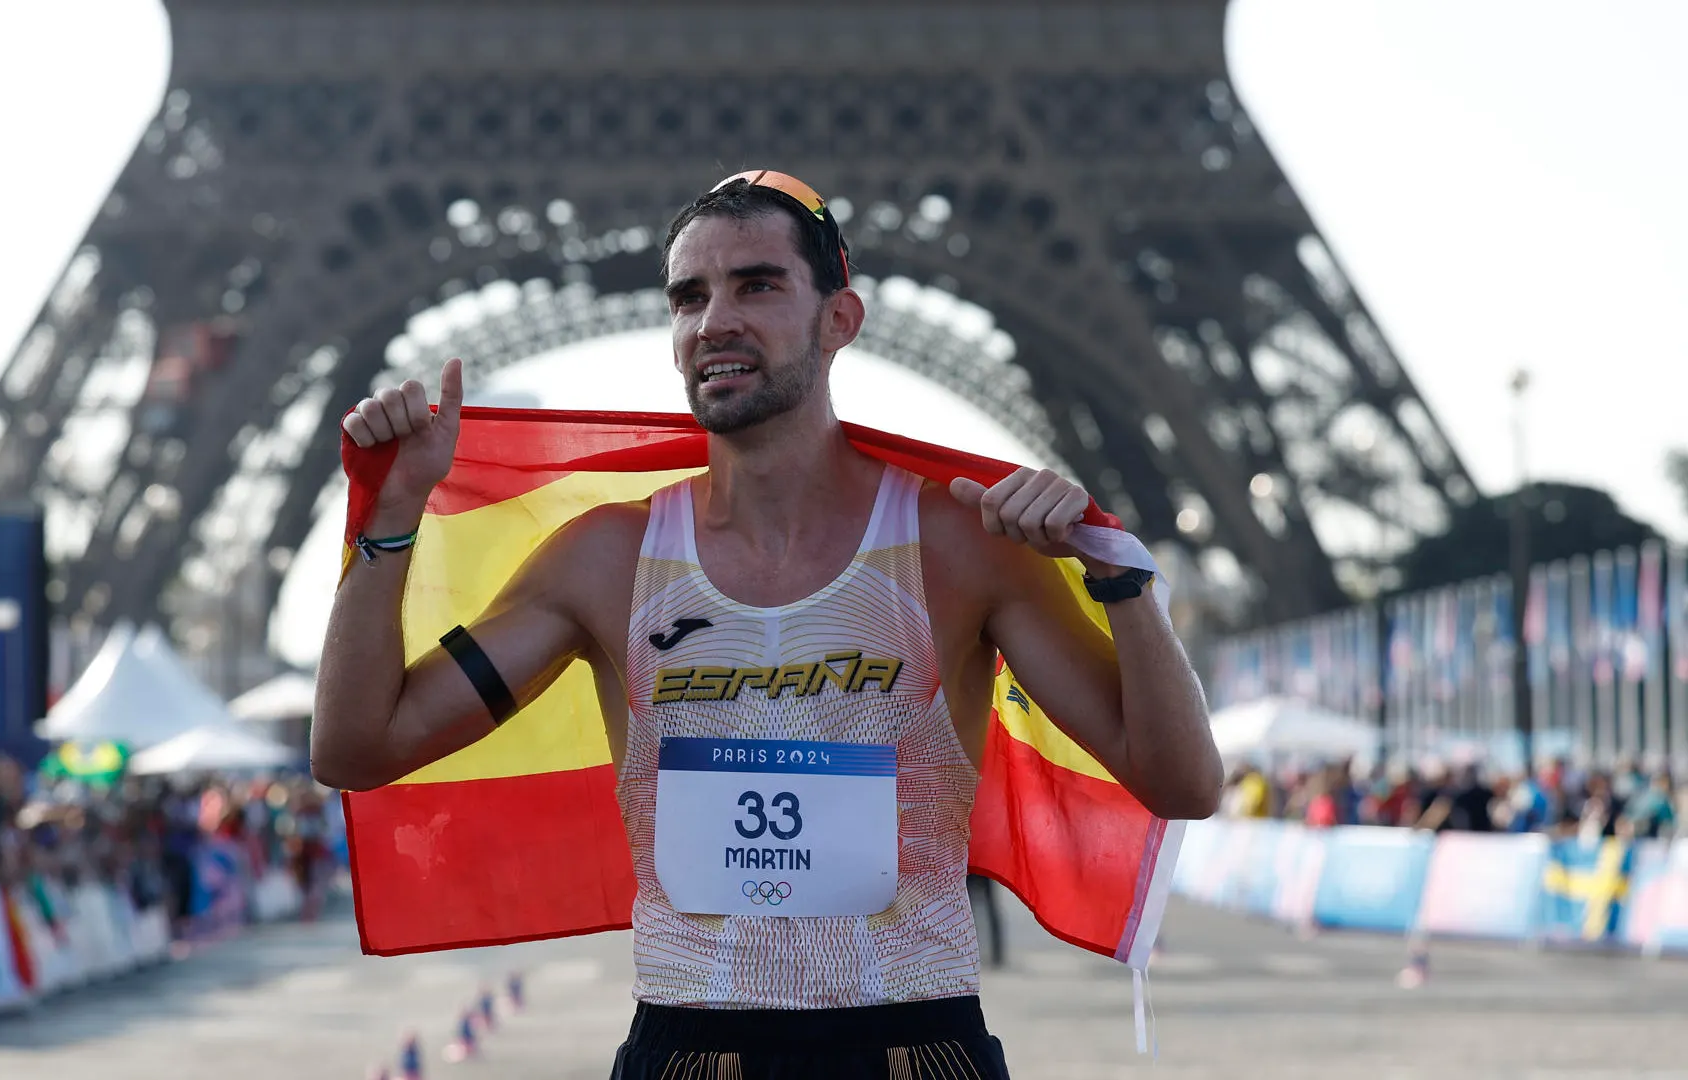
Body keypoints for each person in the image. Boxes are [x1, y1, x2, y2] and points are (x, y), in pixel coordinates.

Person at [312, 170, 1222, 1079]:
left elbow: (1180, 782)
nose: (715, 322)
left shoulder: (959, 544)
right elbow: (356, 749)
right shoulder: (605, 560)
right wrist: (388, 517)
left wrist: (1121, 581)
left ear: (841, 319)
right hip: (690, 1047)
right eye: (688, 297)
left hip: (914, 1042)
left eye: (757, 284)